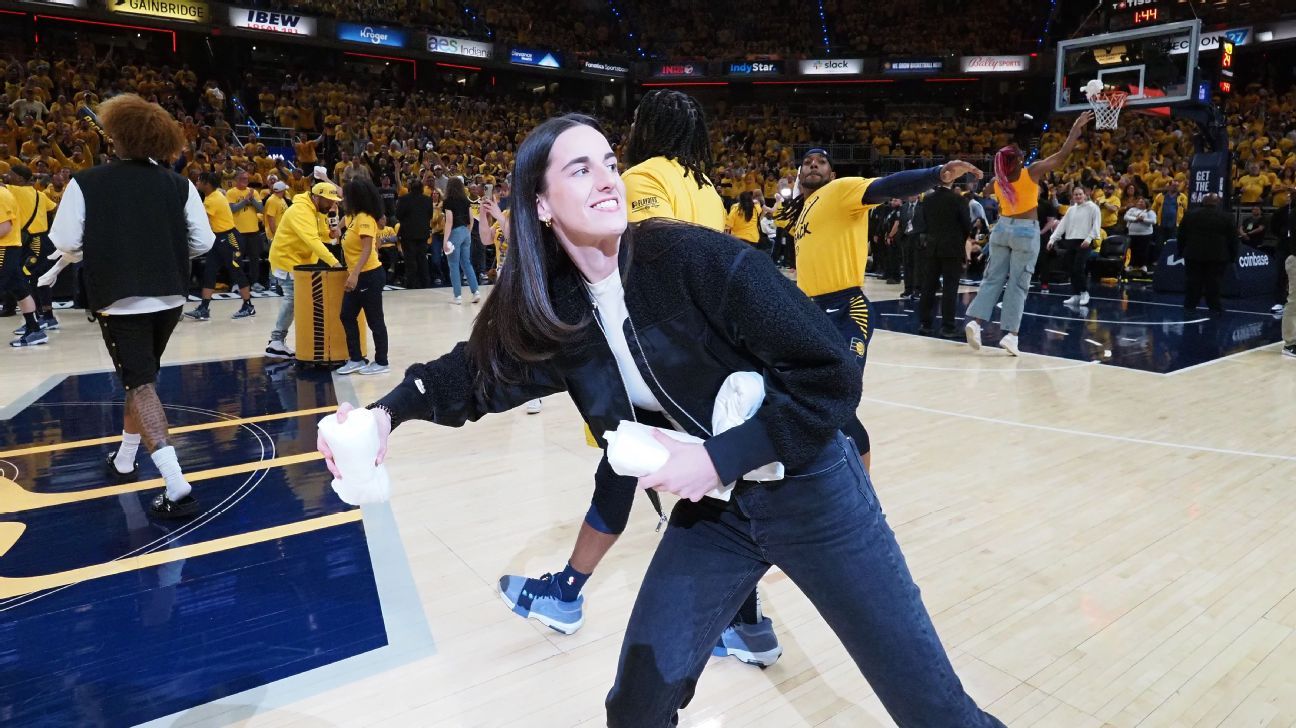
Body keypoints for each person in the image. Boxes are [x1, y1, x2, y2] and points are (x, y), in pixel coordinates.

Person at [320, 113, 1007, 728]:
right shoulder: (558, 304)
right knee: (636, 706)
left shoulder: (693, 258)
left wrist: (711, 459)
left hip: (813, 493)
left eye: (609, 164)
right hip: (719, 521)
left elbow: (831, 374)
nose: (606, 180)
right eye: (579, 168)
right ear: (540, 202)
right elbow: (476, 372)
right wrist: (386, 416)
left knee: (933, 712)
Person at [495, 89, 782, 668]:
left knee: (634, 472)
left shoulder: (644, 176)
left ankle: (567, 593)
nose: (608, 174)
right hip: (712, 372)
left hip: (656, 368)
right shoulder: (704, 185)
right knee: (722, 489)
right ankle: (746, 623)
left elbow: (632, 256)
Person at [47, 93, 214, 517]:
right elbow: (203, 243)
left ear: (115, 138)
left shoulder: (86, 182)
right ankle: (124, 459)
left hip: (120, 300)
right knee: (140, 377)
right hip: (172, 297)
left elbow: (66, 242)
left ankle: (176, 486)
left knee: (140, 383)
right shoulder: (181, 184)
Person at [777, 148, 982, 470]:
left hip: (845, 309)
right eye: (806, 162)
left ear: (831, 172)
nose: (813, 165)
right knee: (804, 398)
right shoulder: (804, 212)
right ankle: (820, 481)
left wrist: (935, 174)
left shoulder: (841, 190)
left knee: (839, 403)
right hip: (809, 313)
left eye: (821, 162)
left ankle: (863, 494)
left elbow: (887, 186)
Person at [964, 111, 1093, 356]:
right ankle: (1010, 335)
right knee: (1018, 284)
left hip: (1001, 229)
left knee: (992, 278)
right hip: (1025, 231)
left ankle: (976, 322)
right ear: (1017, 162)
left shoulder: (997, 182)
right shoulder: (1030, 173)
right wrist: (1075, 128)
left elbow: (984, 191)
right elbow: (1062, 156)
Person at [263, 182, 342, 359]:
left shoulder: (315, 210)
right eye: (329, 201)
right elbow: (312, 240)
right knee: (292, 298)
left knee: (300, 300)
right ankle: (276, 341)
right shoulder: (301, 211)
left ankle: (283, 339)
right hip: (287, 260)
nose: (331, 205)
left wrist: (330, 234)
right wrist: (334, 263)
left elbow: (320, 234)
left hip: (302, 262)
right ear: (317, 197)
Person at [336, 179, 390, 376]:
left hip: (369, 275)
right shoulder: (353, 217)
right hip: (359, 275)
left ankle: (382, 362)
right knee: (347, 315)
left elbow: (367, 249)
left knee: (375, 320)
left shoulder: (365, 218)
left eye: (347, 197)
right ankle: (356, 359)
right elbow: (342, 197)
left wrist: (355, 274)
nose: (343, 199)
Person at [185, 172, 255, 321]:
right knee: (209, 272)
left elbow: (202, 222)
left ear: (207, 183)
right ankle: (204, 308)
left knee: (237, 272)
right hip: (218, 239)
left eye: (199, 180)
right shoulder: (213, 196)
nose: (197, 183)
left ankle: (248, 306)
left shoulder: (212, 200)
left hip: (230, 238)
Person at [916, 177, 974, 337]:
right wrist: (959, 241)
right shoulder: (958, 199)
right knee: (950, 288)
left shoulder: (927, 199)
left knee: (928, 286)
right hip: (952, 248)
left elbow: (924, 223)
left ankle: (925, 324)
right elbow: (966, 225)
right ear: (952, 181)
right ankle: (948, 326)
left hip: (932, 247)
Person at [5, 165, 58, 334]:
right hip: (43, 239)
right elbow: (54, 208)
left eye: (11, 174)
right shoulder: (40, 194)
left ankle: (38, 319)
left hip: (33, 242)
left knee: (27, 279)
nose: (7, 176)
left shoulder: (13, 190)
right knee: (40, 278)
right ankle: (47, 316)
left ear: (20, 179)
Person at [0, 173, 46, 347]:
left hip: (5, 248)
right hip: (9, 247)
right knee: (19, 289)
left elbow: (4, 227)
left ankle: (35, 329)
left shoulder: (1, 195)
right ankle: (35, 330)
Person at [1178, 194, 1238, 315]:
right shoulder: (1227, 216)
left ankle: (1190, 304)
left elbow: (1181, 235)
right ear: (1218, 203)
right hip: (1217, 255)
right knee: (1214, 282)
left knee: (1193, 281)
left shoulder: (1190, 214)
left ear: (1203, 202)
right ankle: (1214, 306)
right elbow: (1233, 238)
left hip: (1193, 253)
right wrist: (1233, 255)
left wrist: (1181, 251)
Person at [1048, 186, 1102, 306]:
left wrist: (1089, 238)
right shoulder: (1071, 209)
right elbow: (1062, 225)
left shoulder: (1093, 207)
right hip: (1071, 241)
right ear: (1073, 196)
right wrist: (1052, 239)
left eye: (1080, 194)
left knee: (1079, 268)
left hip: (1084, 242)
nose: (1078, 196)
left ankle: (1084, 292)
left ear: (1085, 195)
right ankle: (1076, 294)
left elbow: (1096, 225)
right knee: (1070, 268)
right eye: (1075, 194)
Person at [225, 170, 266, 292]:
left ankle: (254, 282)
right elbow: (232, 209)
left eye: (247, 179)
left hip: (253, 231)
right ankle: (236, 283)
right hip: (237, 232)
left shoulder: (253, 192)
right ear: (236, 180)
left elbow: (261, 209)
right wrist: (245, 201)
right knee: (237, 259)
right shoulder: (231, 192)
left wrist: (252, 199)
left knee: (254, 258)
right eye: (243, 178)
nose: (245, 180)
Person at [442, 177, 480, 305]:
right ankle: (476, 292)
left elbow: (449, 221)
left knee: (453, 265)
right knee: (466, 263)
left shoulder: (448, 201)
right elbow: (472, 219)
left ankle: (457, 296)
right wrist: (467, 232)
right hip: (466, 232)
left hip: (455, 233)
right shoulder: (465, 200)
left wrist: (445, 240)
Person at [394, 177, 433, 288]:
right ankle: (425, 283)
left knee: (410, 260)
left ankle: (411, 284)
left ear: (410, 188)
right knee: (422, 259)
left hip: (407, 234)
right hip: (422, 233)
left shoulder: (404, 199)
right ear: (421, 188)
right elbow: (429, 215)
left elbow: (398, 215)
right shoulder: (428, 199)